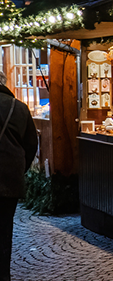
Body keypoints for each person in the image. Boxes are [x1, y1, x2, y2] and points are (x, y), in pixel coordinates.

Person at [0, 71, 37, 281]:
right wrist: (19, 169)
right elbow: (31, 144)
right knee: (4, 228)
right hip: (9, 179)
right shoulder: (19, 108)